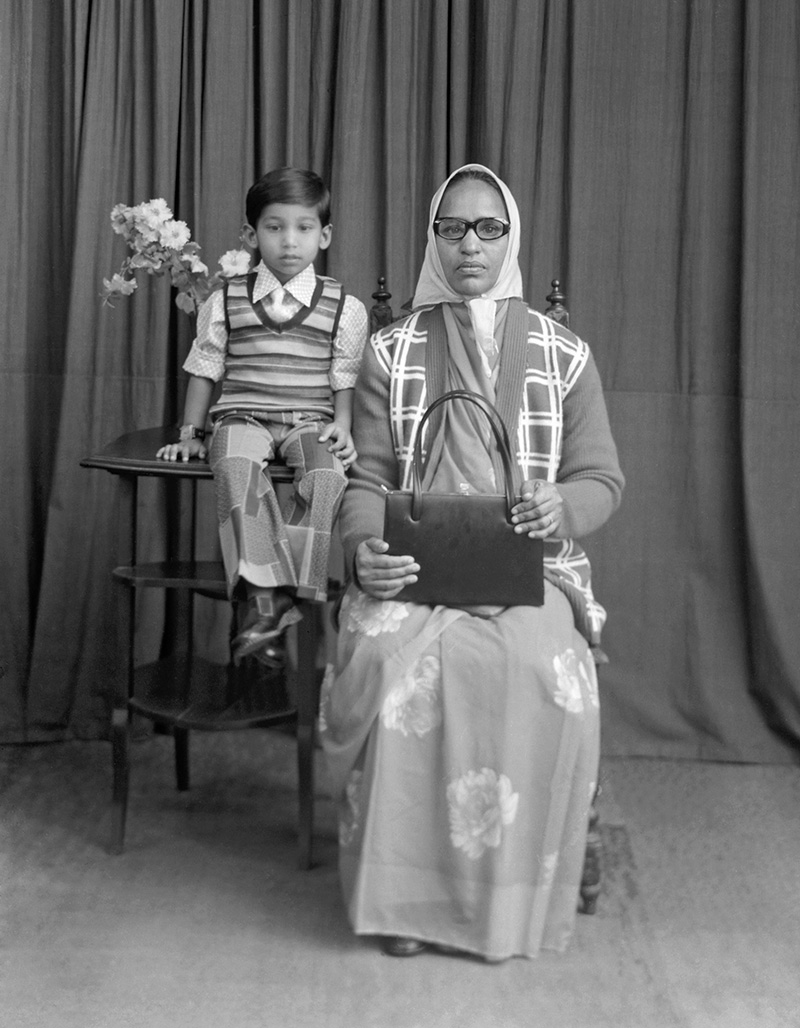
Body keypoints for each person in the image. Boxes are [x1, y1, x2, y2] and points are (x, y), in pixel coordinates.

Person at [319, 164, 624, 961]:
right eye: (453, 227)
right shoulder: (392, 351)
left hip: (531, 571)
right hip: (415, 571)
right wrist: (363, 551)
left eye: (489, 228)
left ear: (511, 237)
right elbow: (366, 481)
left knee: (541, 667)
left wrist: (565, 505)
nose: (470, 244)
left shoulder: (563, 353)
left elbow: (603, 479)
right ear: (434, 237)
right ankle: (407, 901)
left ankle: (506, 904)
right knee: (395, 662)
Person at [157, 168, 368, 666]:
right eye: (274, 228)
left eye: (303, 228)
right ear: (252, 235)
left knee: (326, 473)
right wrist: (191, 433)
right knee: (232, 466)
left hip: (310, 421)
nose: (289, 241)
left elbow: (344, 377)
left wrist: (342, 427)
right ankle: (264, 598)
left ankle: (270, 604)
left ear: (325, 235)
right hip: (242, 417)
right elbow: (205, 371)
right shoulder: (224, 300)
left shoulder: (345, 307)